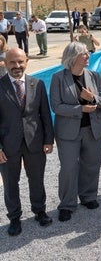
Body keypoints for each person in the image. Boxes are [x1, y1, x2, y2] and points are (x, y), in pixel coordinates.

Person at [50, 42, 101, 222]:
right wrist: (80, 109)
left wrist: (94, 99)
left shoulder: (94, 75)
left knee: (92, 164)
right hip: (68, 133)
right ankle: (67, 204)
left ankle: (88, 196)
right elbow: (56, 106)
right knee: (68, 168)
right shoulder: (58, 78)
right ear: (73, 57)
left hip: (93, 128)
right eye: (85, 54)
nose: (88, 56)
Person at [0, 48, 54, 236]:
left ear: (27, 61)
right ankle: (14, 218)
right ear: (5, 63)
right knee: (10, 182)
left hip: (35, 142)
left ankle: (40, 211)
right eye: (13, 62)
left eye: (20, 62)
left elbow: (45, 114)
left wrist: (48, 139)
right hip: (7, 146)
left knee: (37, 178)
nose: (17, 66)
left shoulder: (37, 84)